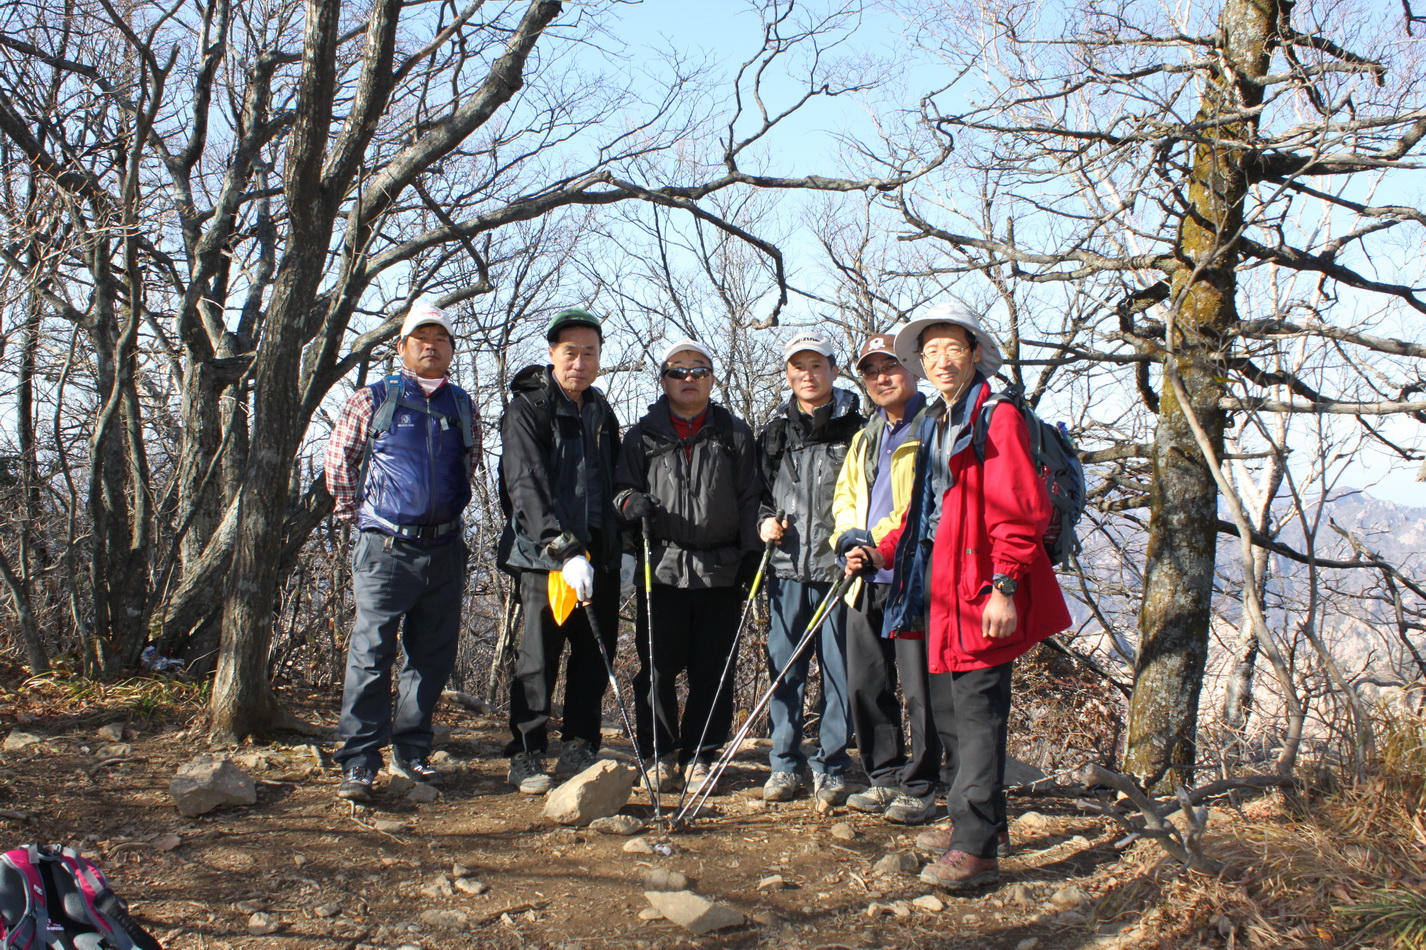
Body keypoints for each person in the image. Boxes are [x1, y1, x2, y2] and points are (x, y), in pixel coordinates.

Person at [846, 299, 1071, 889]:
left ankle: (974, 852)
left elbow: (1021, 510)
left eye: (954, 349)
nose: (943, 361)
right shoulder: (941, 419)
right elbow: (924, 510)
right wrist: (880, 550)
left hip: (980, 591)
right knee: (952, 712)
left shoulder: (995, 417)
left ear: (974, 353)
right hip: (938, 590)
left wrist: (1005, 587)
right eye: (932, 352)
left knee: (975, 717)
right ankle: (979, 826)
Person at [325, 302, 478, 802]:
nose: (430, 345)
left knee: (431, 655)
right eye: (420, 337)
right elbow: (339, 460)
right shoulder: (374, 398)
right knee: (371, 654)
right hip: (385, 547)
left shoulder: (462, 404)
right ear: (402, 347)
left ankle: (411, 750)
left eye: (440, 338)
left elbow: (469, 465)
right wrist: (360, 520)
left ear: (452, 350)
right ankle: (359, 761)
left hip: (446, 547)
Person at [613, 339, 762, 793]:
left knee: (712, 668)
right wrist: (629, 503)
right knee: (657, 665)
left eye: (699, 370)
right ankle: (658, 754)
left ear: (713, 379)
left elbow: (751, 498)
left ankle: (701, 754)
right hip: (661, 567)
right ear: (663, 380)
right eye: (679, 371)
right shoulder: (642, 435)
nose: (689, 379)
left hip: (722, 568)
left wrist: (753, 556)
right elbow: (619, 492)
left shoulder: (735, 434)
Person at [497, 307, 622, 795]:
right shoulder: (529, 407)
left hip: (599, 553)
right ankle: (527, 752)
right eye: (570, 352)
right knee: (538, 656)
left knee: (594, 651)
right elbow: (525, 484)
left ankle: (580, 744)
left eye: (589, 353)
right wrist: (562, 548)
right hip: (544, 556)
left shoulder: (600, 409)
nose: (579, 362)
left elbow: (610, 480)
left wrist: (619, 546)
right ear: (552, 354)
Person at [832, 332, 942, 825]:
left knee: (920, 689)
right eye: (871, 370)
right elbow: (845, 497)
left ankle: (921, 785)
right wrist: (848, 541)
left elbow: (924, 505)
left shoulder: (935, 427)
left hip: (914, 577)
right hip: (865, 578)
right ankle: (884, 777)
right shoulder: (865, 435)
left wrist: (878, 546)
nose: (881, 377)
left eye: (891, 366)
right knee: (867, 684)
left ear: (913, 369)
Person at [757, 332, 866, 804]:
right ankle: (784, 764)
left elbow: (872, 494)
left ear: (833, 370)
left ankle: (832, 765)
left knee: (840, 674)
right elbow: (757, 494)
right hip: (784, 570)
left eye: (816, 365)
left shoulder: (859, 429)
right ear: (788, 374)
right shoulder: (776, 430)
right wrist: (763, 521)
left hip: (840, 571)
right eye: (798, 366)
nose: (807, 374)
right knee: (783, 671)